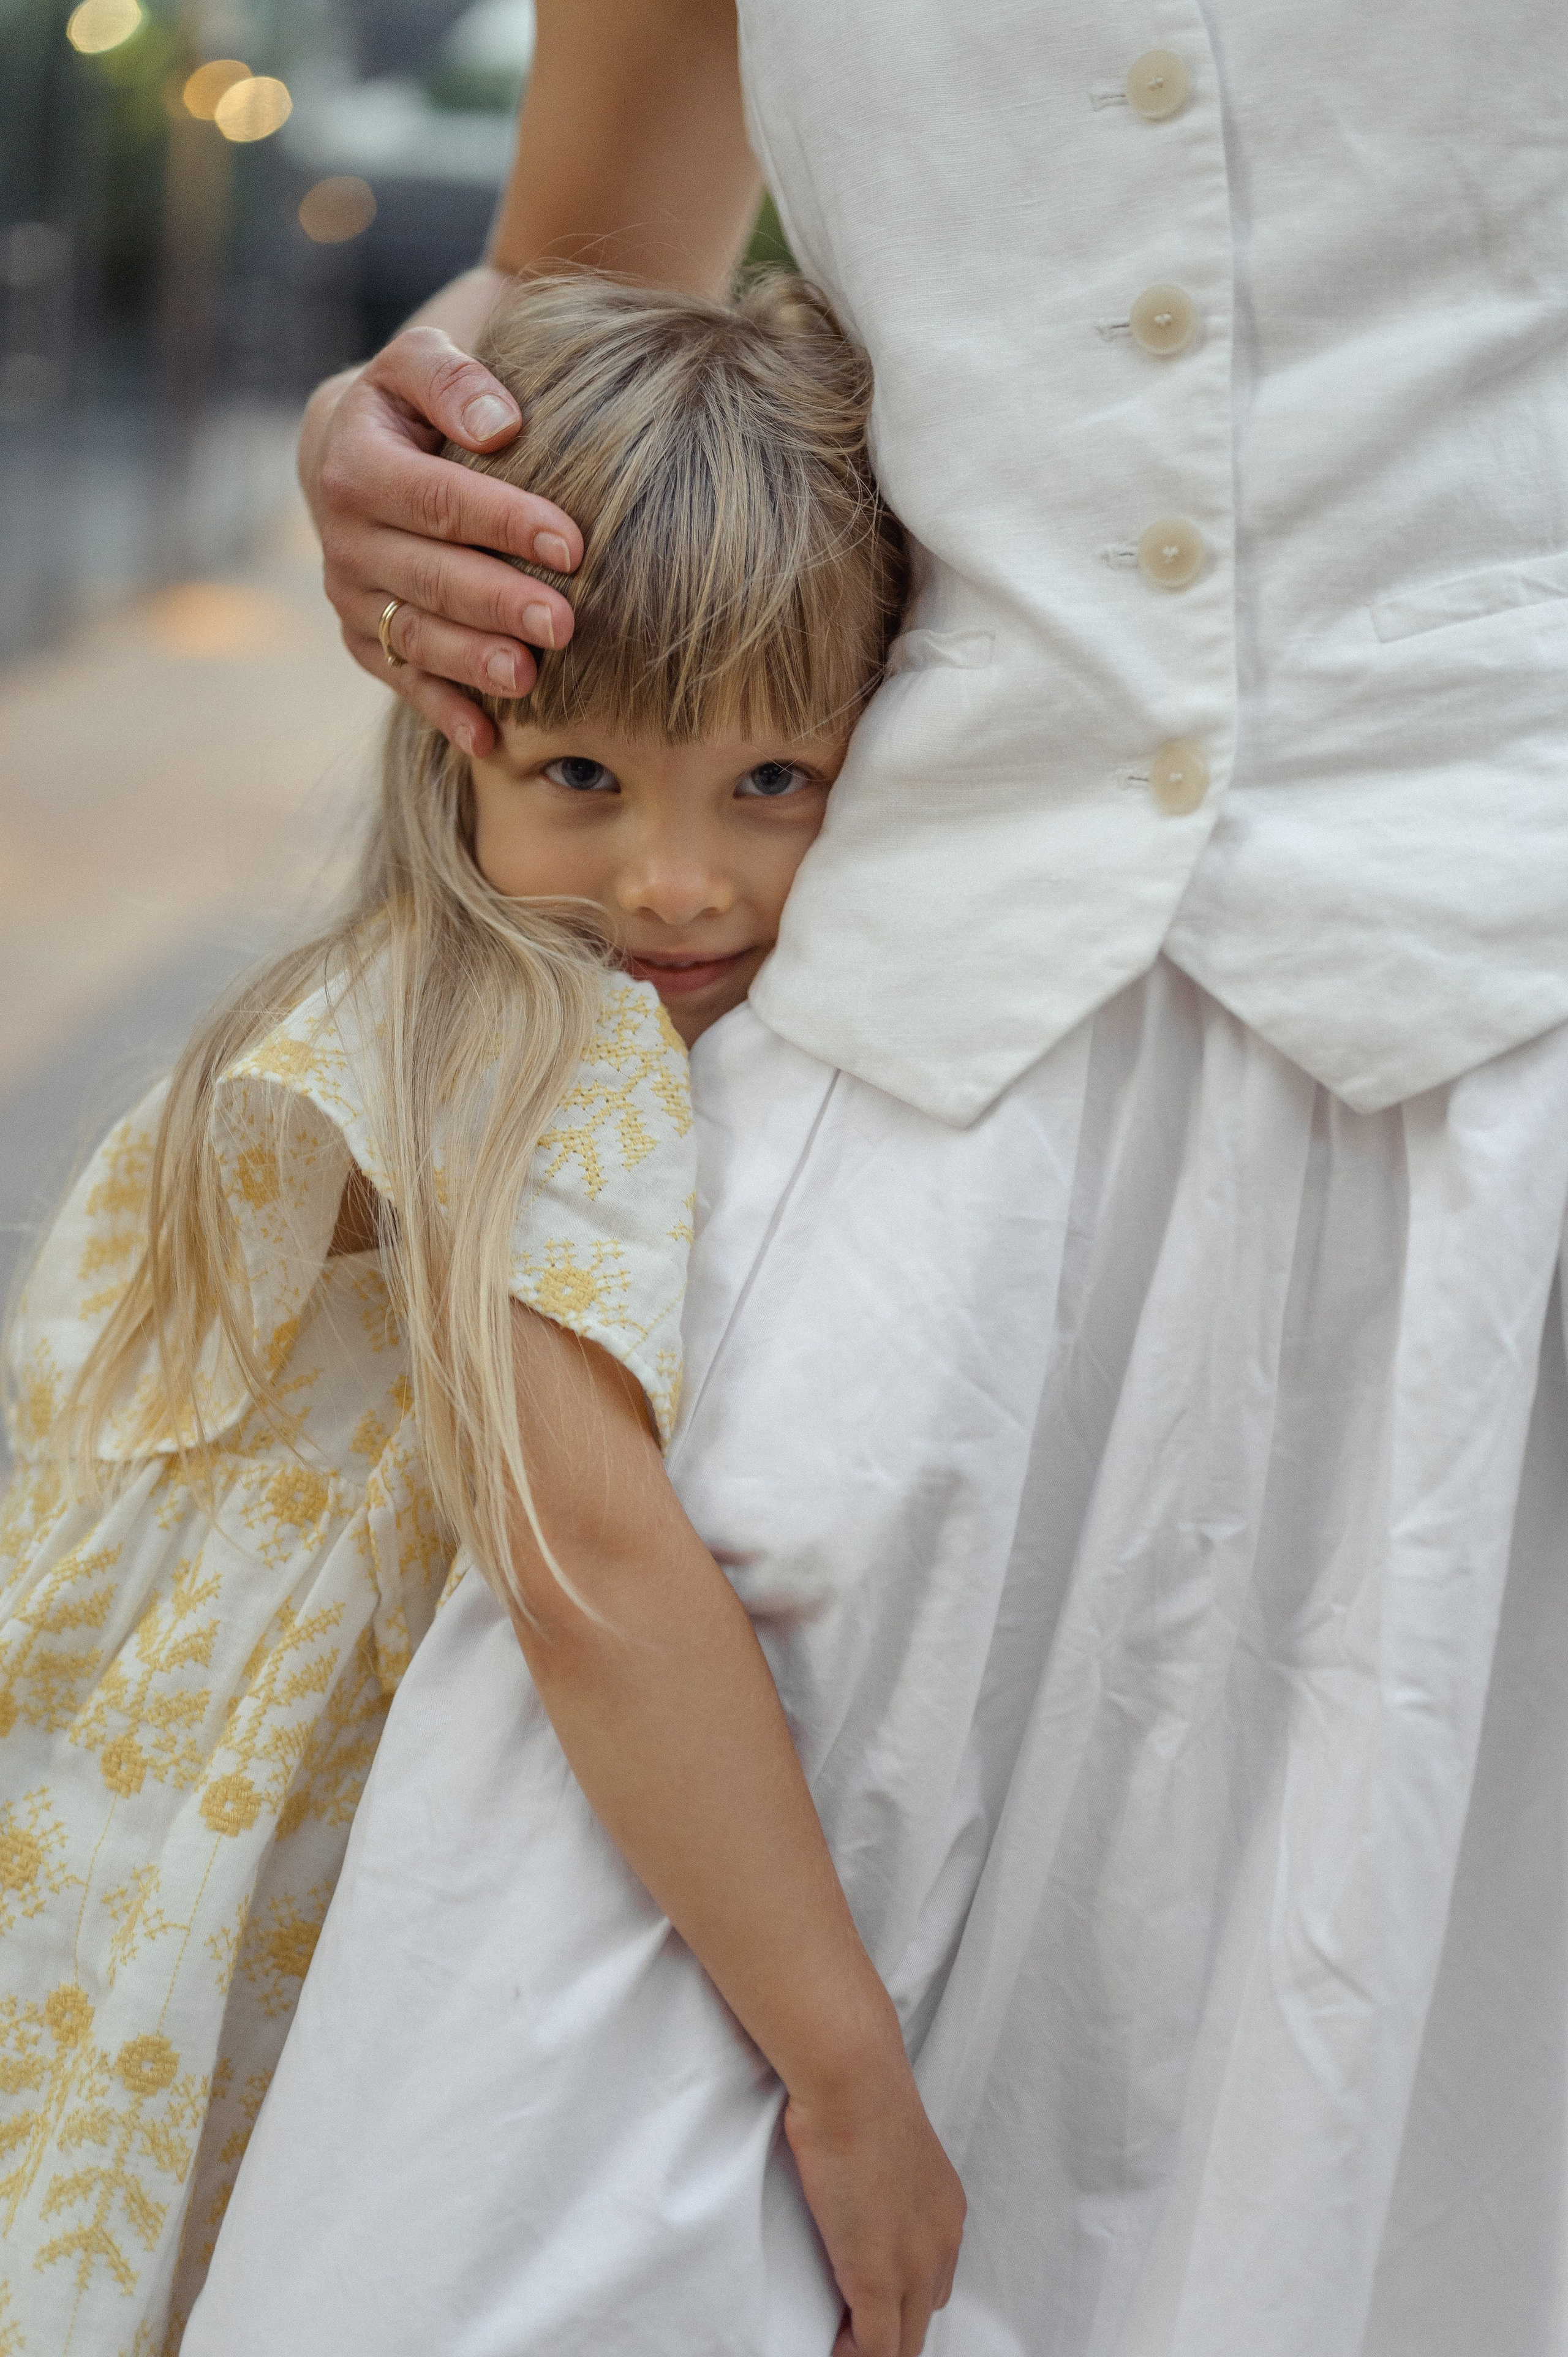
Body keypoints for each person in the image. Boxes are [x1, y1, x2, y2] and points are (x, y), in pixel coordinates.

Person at [196, 3, 1568, 2353]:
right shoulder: (585, 1055)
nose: (660, 873)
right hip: (914, 1038)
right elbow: (569, 287)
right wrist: (411, 444)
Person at [0, 272, 962, 2357]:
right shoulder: (523, 1036)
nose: (678, 889)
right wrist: (845, 2069)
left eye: (776, 781)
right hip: (286, 1834)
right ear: (454, 741)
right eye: (586, 777)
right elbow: (581, 1553)